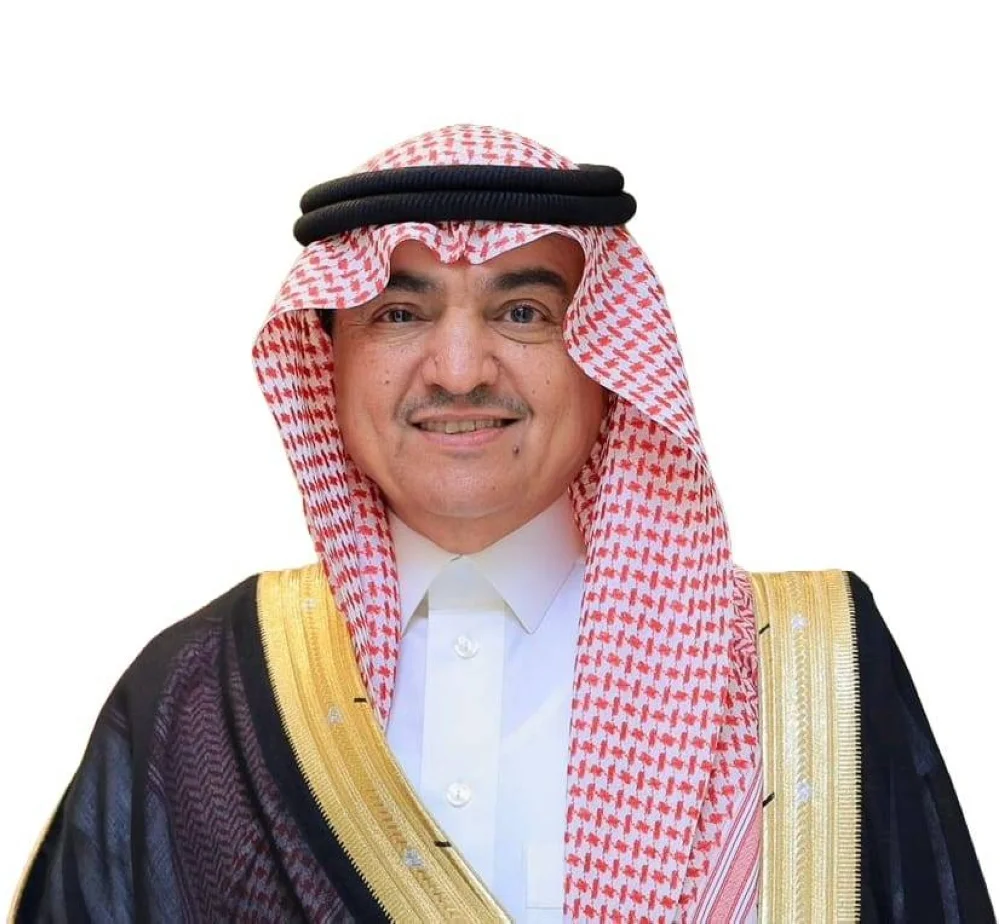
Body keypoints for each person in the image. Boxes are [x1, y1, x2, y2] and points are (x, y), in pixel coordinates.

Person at [10, 125, 993, 923]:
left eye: (522, 312)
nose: (458, 370)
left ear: (607, 357)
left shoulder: (806, 672)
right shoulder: (198, 695)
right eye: (399, 315)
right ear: (330, 353)